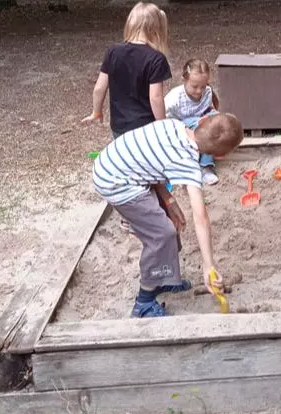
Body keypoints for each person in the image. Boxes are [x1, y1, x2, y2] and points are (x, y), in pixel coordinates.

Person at [92, 114, 244, 318]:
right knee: (162, 234)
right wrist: (209, 265)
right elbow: (201, 217)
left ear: (201, 122)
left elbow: (150, 160)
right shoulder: (188, 163)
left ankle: (166, 278)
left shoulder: (173, 125)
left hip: (113, 165)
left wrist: (168, 200)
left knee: (168, 220)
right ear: (220, 156)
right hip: (116, 183)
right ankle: (144, 302)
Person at [82, 2, 171, 138]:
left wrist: (97, 111)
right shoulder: (156, 58)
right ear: (157, 29)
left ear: (130, 24)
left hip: (119, 126)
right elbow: (156, 97)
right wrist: (162, 125)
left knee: (125, 157)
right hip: (146, 127)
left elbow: (99, 88)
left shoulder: (112, 51)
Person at [165, 58, 221, 186]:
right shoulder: (175, 98)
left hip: (199, 124)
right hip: (178, 128)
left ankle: (206, 165)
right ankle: (192, 167)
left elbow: (209, 109)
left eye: (203, 86)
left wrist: (213, 116)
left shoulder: (207, 92)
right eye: (194, 86)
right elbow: (162, 119)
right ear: (184, 80)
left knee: (214, 122)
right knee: (202, 127)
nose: (199, 91)